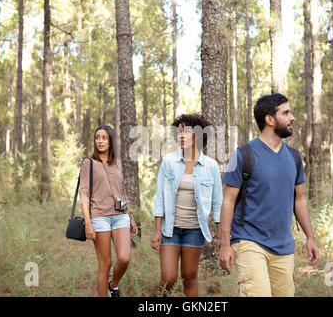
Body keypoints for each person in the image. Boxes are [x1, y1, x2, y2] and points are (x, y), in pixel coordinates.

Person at [219, 93, 319, 297]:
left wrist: (310, 237)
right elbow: (227, 201)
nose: (292, 118)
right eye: (286, 113)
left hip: (283, 245)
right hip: (249, 241)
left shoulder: (295, 157)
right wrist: (224, 244)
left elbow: (299, 200)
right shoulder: (241, 155)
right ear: (269, 119)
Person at [151, 114, 222, 297]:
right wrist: (157, 230)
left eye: (186, 132)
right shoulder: (169, 162)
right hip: (170, 229)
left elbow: (217, 204)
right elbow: (160, 197)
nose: (181, 136)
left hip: (194, 230)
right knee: (168, 278)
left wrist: (221, 236)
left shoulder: (211, 166)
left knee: (190, 277)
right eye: (179, 132)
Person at [79, 125, 138, 297]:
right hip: (99, 218)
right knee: (105, 263)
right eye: (97, 137)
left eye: (104, 137)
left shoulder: (117, 163)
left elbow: (123, 192)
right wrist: (88, 222)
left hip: (120, 216)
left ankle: (113, 285)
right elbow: (84, 194)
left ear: (111, 140)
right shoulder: (88, 163)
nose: (100, 141)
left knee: (124, 258)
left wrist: (131, 216)